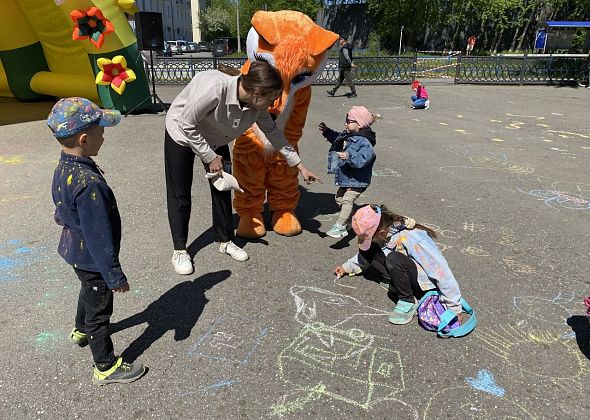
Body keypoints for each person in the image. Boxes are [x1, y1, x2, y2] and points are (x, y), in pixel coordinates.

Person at [165, 61, 321, 275]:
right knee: (180, 192)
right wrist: (210, 156)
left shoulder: (257, 107)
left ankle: (225, 240)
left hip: (216, 136)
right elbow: (186, 123)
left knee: (222, 188)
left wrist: (300, 165)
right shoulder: (215, 89)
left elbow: (274, 134)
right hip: (182, 133)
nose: (273, 103)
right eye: (272, 97)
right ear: (257, 92)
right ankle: (180, 250)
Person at [47, 97, 146, 385]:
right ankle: (105, 366)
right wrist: (114, 276)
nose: (104, 135)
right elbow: (99, 236)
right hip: (92, 256)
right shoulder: (89, 184)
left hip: (75, 252)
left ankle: (80, 330)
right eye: (101, 130)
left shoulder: (65, 167)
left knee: (87, 290)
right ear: (85, 138)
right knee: (100, 310)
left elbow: (60, 207)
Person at [333, 205, 464, 325]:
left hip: (422, 284)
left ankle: (408, 300)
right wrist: (346, 267)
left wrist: (453, 307)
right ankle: (398, 283)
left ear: (382, 231)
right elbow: (364, 255)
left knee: (394, 258)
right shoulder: (382, 232)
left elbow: (439, 269)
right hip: (404, 271)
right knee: (368, 248)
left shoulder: (412, 237)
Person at [318, 106, 378, 239]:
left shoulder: (364, 141)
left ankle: (339, 226)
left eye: (349, 121)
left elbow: (365, 158)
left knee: (347, 199)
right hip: (348, 178)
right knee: (339, 198)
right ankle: (354, 220)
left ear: (360, 123)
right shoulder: (349, 135)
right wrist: (327, 132)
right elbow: (337, 138)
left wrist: (349, 156)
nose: (345, 123)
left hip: (359, 180)